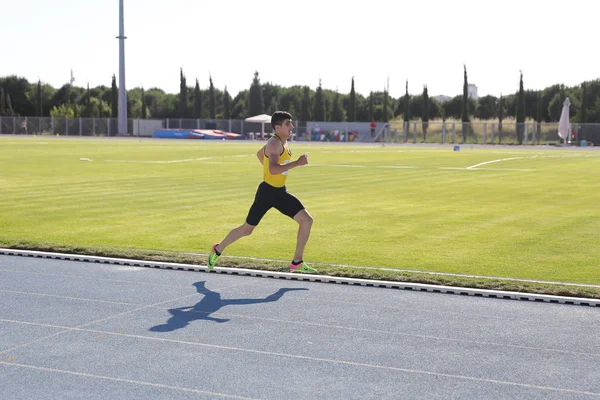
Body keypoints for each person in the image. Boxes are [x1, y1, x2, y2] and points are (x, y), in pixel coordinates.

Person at [207, 111, 317, 274]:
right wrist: (297, 163)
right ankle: (217, 249)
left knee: (306, 220)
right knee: (246, 230)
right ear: (277, 127)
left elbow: (260, 154)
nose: (292, 126)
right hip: (266, 193)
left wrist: (269, 169)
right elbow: (273, 169)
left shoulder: (282, 141)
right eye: (288, 124)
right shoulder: (274, 143)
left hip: (280, 193)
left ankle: (297, 262)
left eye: (291, 123)